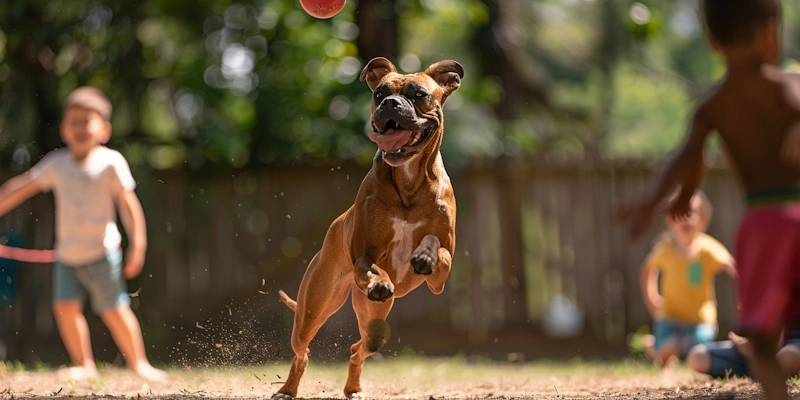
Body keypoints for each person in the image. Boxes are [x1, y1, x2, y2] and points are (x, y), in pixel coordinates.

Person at [618, 1, 800, 398]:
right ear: (771, 33)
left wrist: (656, 201)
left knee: (763, 344)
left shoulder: (714, 104)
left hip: (762, 226)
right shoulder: (788, 87)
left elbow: (687, 159)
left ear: (711, 41)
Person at [0, 86, 167, 382]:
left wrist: (137, 245)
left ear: (104, 129)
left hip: (102, 252)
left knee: (114, 308)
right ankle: (84, 364)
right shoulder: (56, 164)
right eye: (72, 121)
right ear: (63, 128)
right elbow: (22, 187)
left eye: (86, 121)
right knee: (65, 308)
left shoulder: (110, 162)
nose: (79, 127)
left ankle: (139, 364)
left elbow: (129, 206)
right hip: (67, 255)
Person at [638, 190, 736, 368]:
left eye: (690, 212)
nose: (684, 217)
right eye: (678, 211)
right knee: (666, 350)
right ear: (669, 219)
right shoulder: (665, 250)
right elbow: (647, 269)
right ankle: (660, 352)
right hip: (670, 316)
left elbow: (733, 268)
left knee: (697, 346)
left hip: (700, 320)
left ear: (703, 220)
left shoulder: (707, 249)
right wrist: (652, 299)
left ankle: (658, 348)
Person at [687, 328, 800, 380]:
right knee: (697, 357)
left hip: (789, 342)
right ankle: (760, 369)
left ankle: (763, 369)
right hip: (750, 347)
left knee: (787, 357)